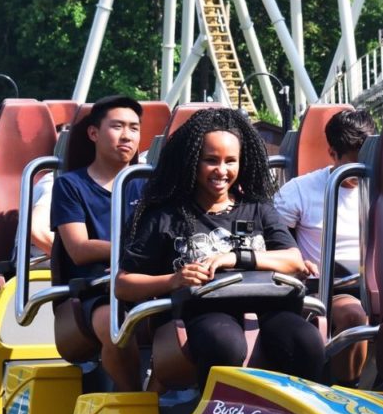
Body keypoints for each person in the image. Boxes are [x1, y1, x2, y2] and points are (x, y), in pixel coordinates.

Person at [118, 108, 325, 388]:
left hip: (267, 304)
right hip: (200, 310)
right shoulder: (165, 215)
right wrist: (174, 279)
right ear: (191, 161)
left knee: (305, 340)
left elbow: (293, 260)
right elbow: (124, 284)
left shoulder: (257, 208)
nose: (222, 171)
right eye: (211, 161)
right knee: (224, 342)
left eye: (230, 161)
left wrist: (233, 257)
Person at [274, 108, 375, 382]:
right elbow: (277, 246)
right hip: (328, 288)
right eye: (353, 167)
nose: (361, 174)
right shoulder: (299, 192)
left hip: (377, 284)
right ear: (332, 154)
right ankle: (346, 389)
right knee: (354, 314)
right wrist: (296, 267)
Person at [50, 95, 143, 391]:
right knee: (116, 327)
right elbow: (78, 248)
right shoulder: (70, 185)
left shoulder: (149, 184)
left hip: (146, 281)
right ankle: (134, 401)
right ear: (94, 133)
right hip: (96, 289)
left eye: (134, 128)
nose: (127, 135)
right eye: (117, 126)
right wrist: (131, 254)